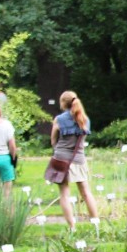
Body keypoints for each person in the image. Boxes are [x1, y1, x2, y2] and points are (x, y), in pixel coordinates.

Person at [51, 90, 99, 230]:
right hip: (78, 158)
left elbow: (53, 140)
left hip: (61, 159)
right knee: (85, 192)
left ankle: (72, 226)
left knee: (64, 194)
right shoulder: (85, 119)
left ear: (62, 103)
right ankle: (95, 223)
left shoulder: (59, 120)